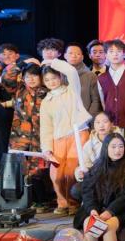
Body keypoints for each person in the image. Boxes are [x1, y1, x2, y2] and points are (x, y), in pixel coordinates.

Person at [40, 59, 93, 216]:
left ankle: (73, 203)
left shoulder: (72, 90)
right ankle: (62, 202)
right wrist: (46, 148)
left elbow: (71, 71)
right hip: (58, 139)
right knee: (56, 174)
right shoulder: (46, 101)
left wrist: (53, 62)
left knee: (72, 171)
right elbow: (46, 127)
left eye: (54, 78)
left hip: (78, 134)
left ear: (60, 77)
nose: (51, 82)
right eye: (47, 80)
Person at [3, 64, 51, 212]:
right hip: (19, 138)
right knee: (20, 169)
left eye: (34, 75)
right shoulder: (19, 90)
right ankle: (25, 200)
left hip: (40, 137)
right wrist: (17, 66)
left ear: (41, 77)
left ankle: (42, 201)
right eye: (27, 76)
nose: (31, 79)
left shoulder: (48, 93)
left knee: (39, 170)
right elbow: (7, 80)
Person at [64, 43, 103, 116]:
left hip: (85, 118)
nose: (74, 56)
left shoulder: (91, 76)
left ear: (82, 57)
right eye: (70, 53)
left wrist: (88, 118)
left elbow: (96, 101)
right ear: (65, 56)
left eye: (77, 54)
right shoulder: (59, 74)